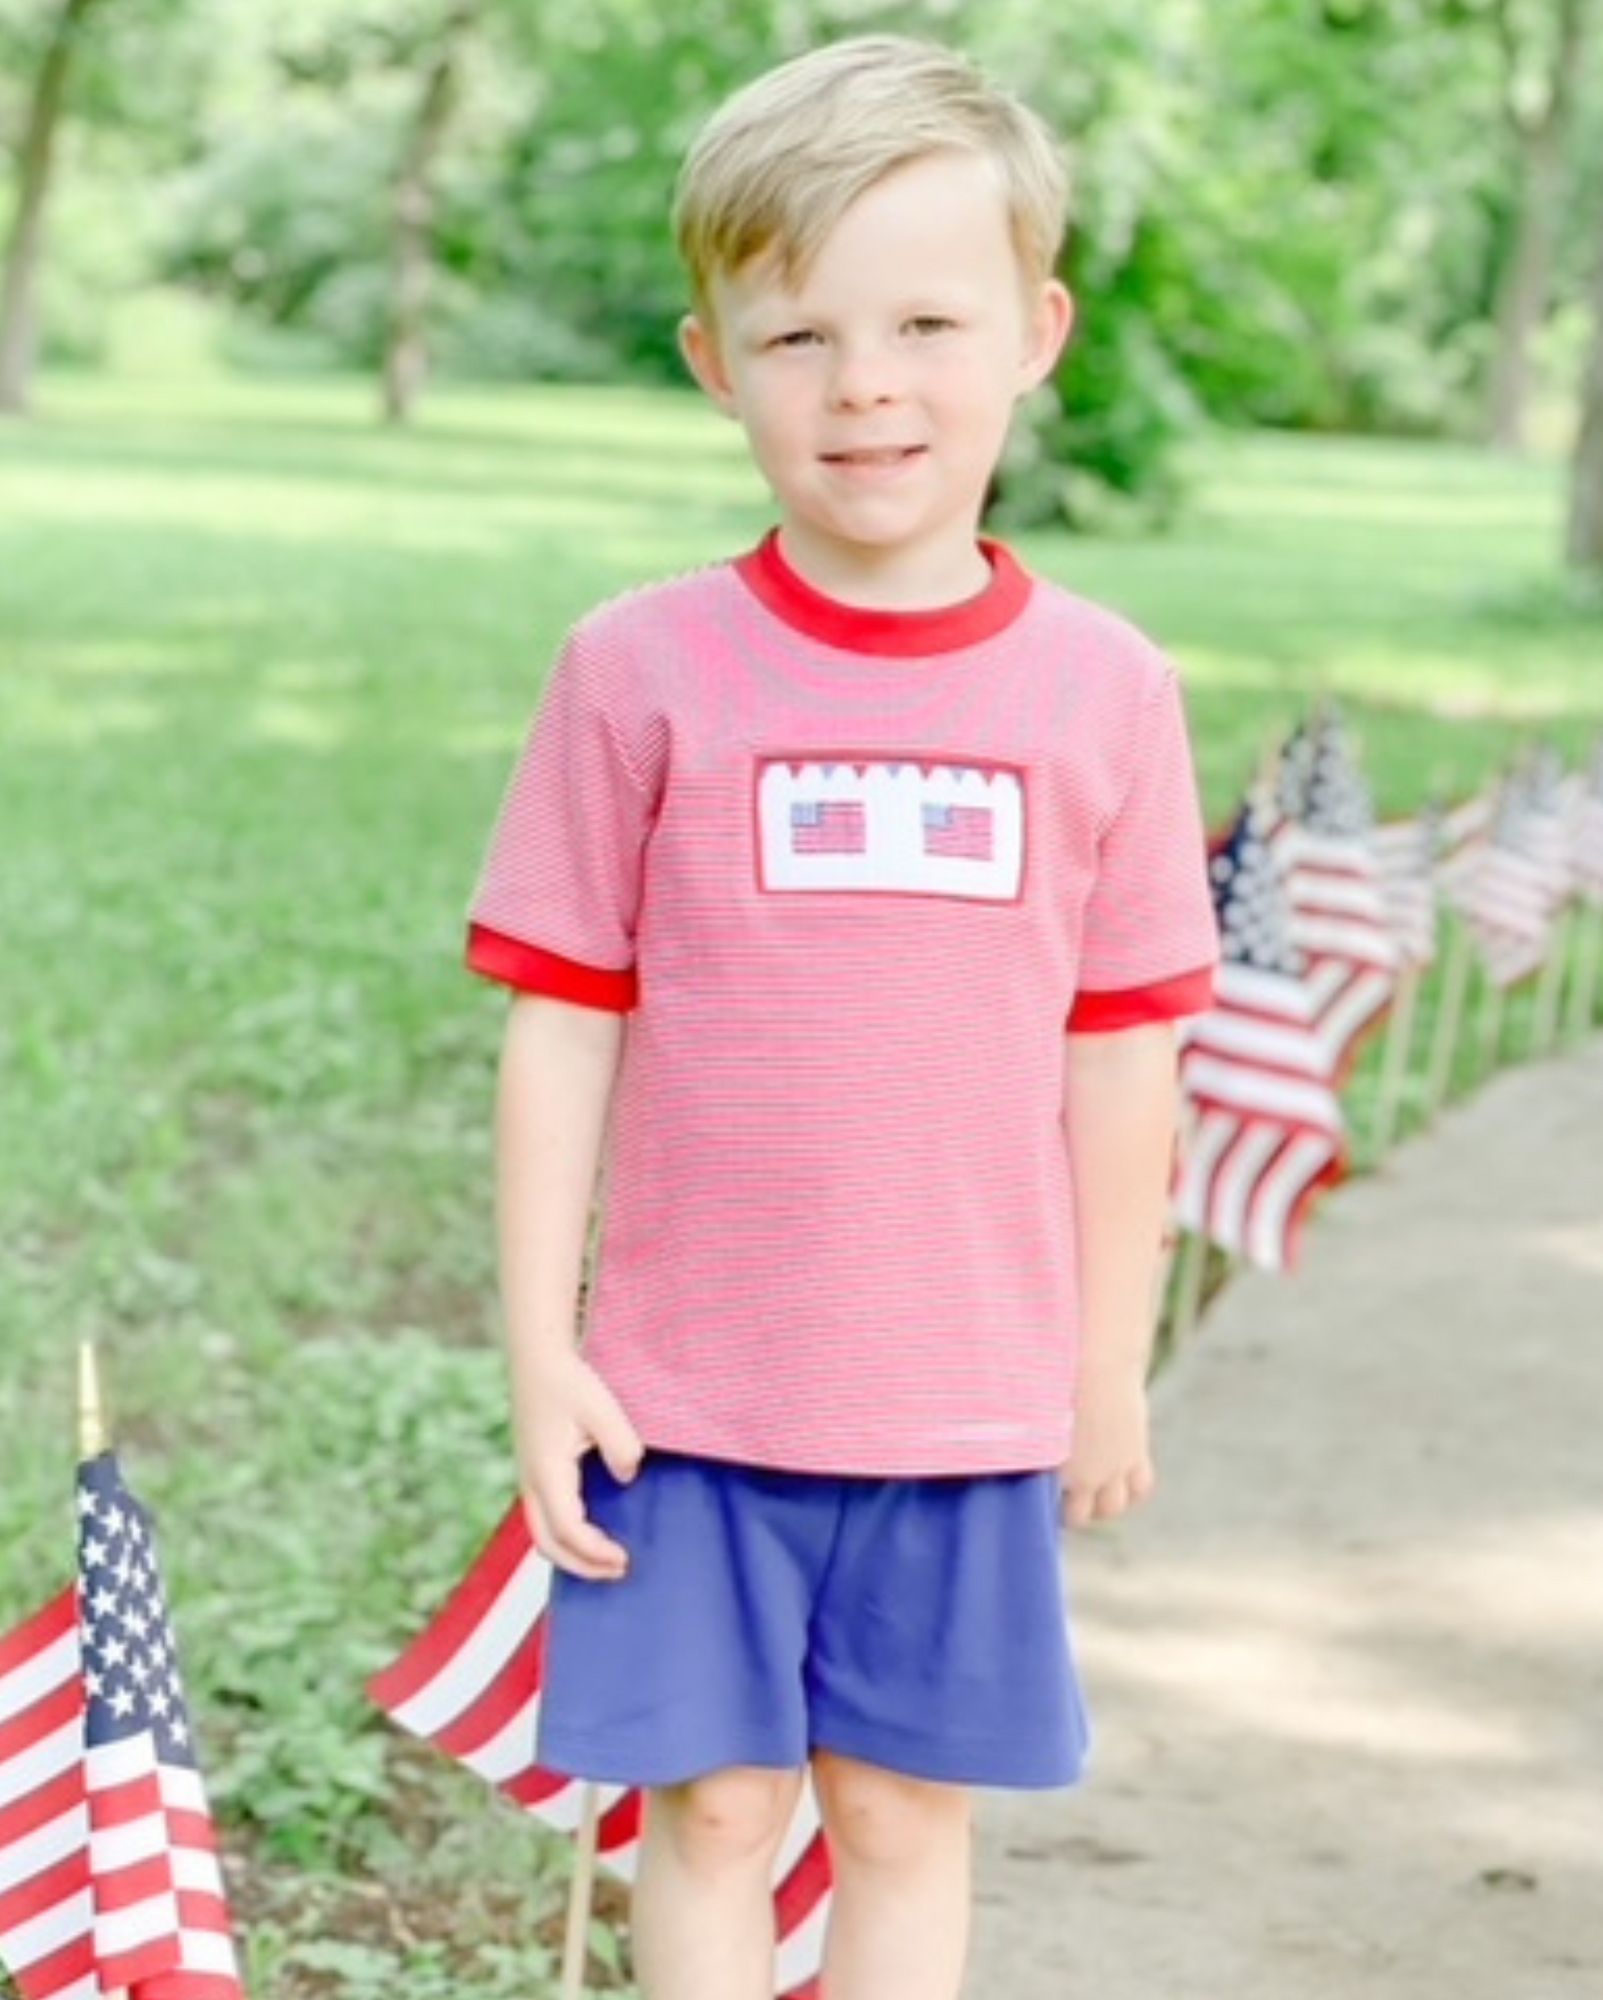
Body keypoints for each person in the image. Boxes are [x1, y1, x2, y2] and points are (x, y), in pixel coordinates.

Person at [465, 33, 1219, 2000]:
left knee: (894, 1808)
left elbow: (1120, 1045)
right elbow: (561, 1019)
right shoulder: (637, 670)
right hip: (689, 1391)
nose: (866, 383)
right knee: (710, 1808)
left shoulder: (1103, 689)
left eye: (924, 322)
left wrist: (1107, 1358)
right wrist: (539, 1344)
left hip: (958, 1390)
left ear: (1036, 331)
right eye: (797, 336)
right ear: (717, 361)